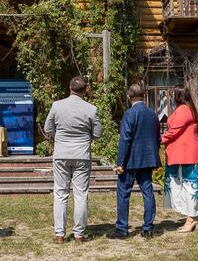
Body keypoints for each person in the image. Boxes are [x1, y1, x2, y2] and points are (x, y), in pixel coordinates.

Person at [44, 76, 102, 243]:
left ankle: (59, 233)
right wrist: (85, 137)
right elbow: (97, 133)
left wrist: (60, 138)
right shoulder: (91, 109)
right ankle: (78, 234)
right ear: (85, 90)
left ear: (70, 88)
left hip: (61, 153)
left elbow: (48, 128)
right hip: (82, 154)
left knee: (60, 193)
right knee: (81, 194)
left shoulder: (57, 105)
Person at [107, 83, 161, 240]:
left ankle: (122, 229)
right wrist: (153, 156)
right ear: (144, 96)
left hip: (130, 161)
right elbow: (157, 138)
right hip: (147, 159)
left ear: (129, 97)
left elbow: (125, 140)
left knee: (123, 193)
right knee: (148, 192)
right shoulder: (153, 114)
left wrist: (120, 163)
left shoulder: (130, 114)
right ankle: (148, 228)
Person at [161, 85, 198, 232]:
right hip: (186, 154)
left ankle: (191, 220)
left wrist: (157, 139)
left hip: (185, 155)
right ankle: (192, 218)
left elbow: (173, 131)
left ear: (178, 96)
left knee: (189, 187)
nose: (171, 97)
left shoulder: (183, 110)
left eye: (173, 94)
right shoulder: (189, 108)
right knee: (189, 186)